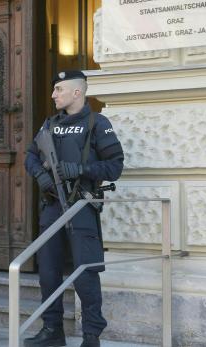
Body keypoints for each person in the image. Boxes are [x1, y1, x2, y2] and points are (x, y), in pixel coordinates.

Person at [24, 71, 124, 347]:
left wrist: (80, 169)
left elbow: (115, 166)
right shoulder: (50, 124)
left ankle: (91, 335)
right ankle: (52, 330)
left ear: (77, 92)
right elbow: (31, 156)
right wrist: (41, 177)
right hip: (53, 206)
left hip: (81, 205)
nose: (54, 95)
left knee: (86, 272)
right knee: (48, 271)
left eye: (59, 89)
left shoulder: (97, 123)